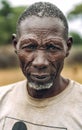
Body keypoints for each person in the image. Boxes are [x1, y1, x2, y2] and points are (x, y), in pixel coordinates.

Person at [0, 2, 82, 130]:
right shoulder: (2, 99)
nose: (40, 62)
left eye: (52, 47)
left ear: (68, 47)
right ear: (16, 45)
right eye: (30, 47)